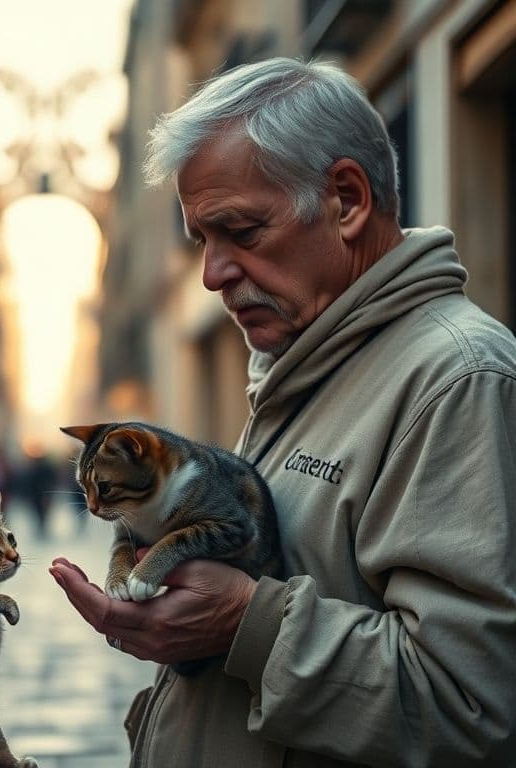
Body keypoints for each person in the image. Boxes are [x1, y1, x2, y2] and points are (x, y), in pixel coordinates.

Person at [49, 57, 516, 767]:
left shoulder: (458, 380)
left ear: (347, 201)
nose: (213, 274)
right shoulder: (302, 365)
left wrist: (244, 623)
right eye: (202, 241)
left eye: (240, 231)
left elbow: (473, 706)